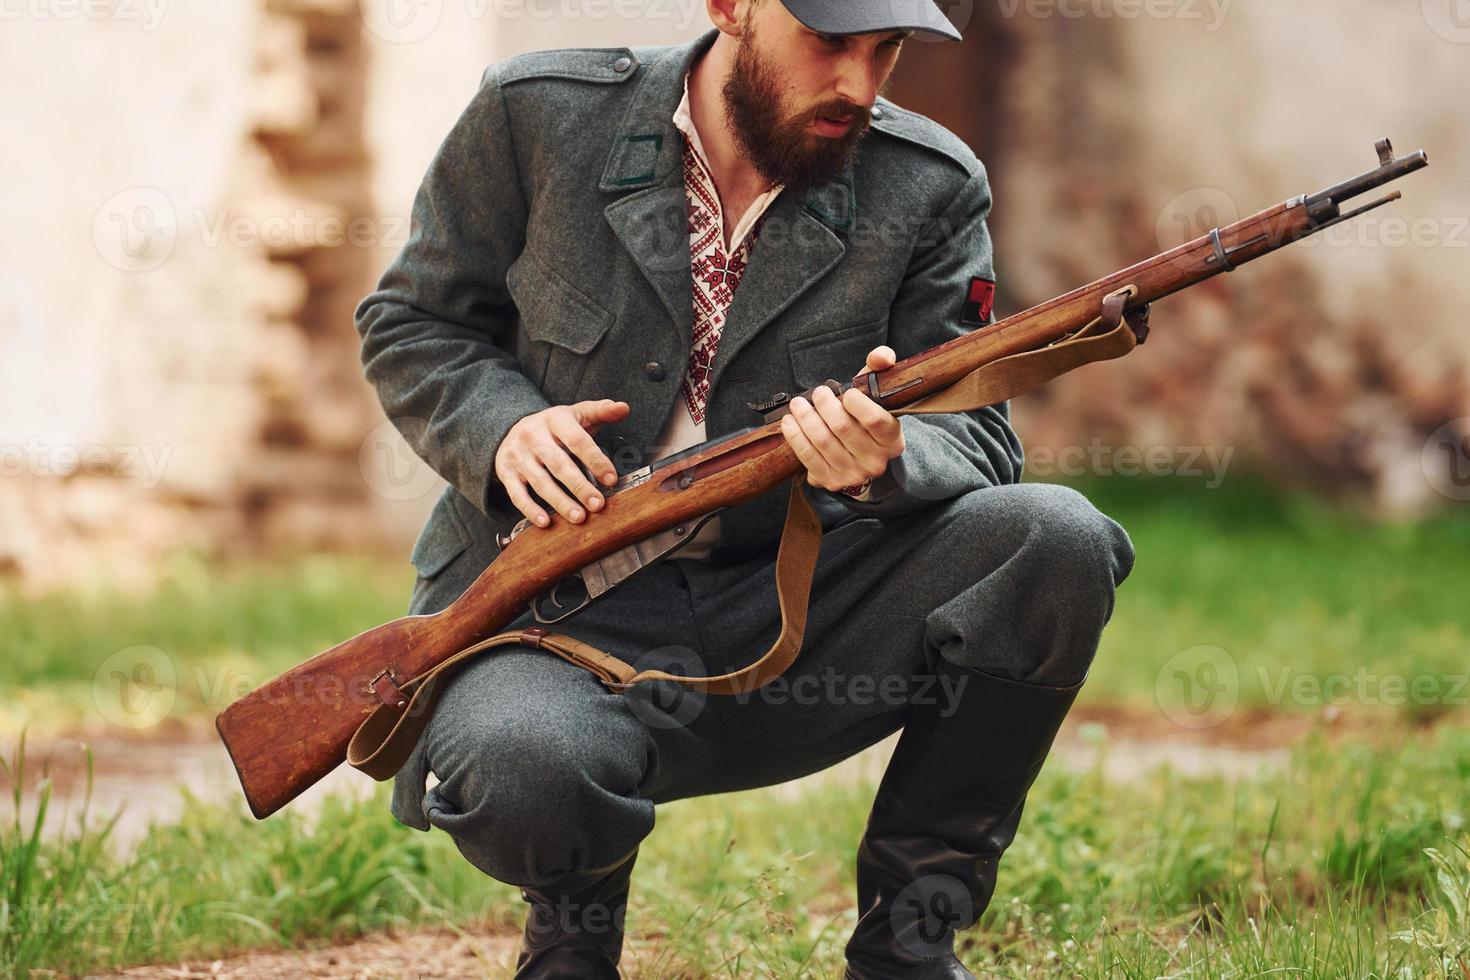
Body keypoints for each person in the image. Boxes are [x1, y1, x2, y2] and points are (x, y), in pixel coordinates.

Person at [354, 0, 1136, 976]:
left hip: (804, 615)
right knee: (521, 764)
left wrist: (887, 458)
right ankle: (571, 934)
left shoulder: (930, 184)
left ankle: (908, 940)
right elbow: (413, 321)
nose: (858, 83)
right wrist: (503, 425)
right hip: (552, 617)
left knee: (1056, 539)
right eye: (828, 41)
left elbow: (976, 435)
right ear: (729, 6)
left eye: (884, 49)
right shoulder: (536, 112)